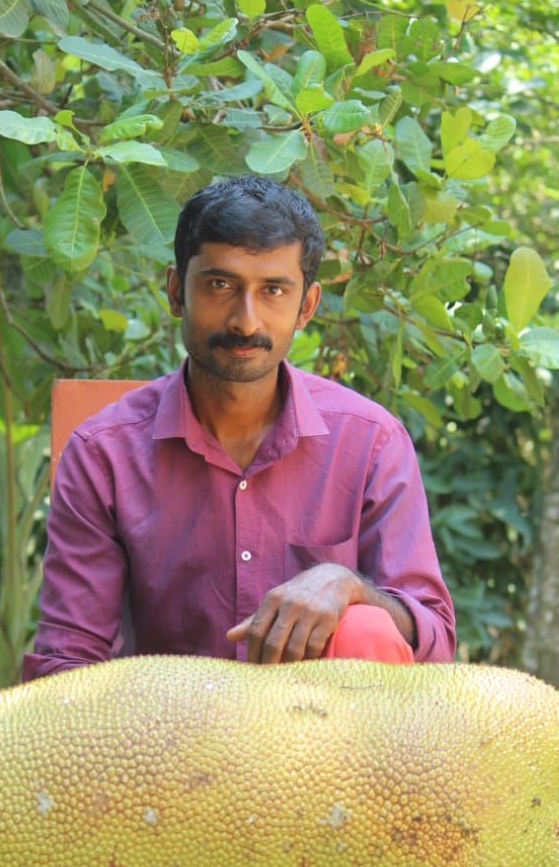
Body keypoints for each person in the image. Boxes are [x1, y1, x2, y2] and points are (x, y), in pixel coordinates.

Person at [22, 175, 455, 681]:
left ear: (306, 307)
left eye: (273, 290)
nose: (245, 321)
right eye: (220, 285)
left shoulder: (370, 441)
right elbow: (69, 657)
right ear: (175, 292)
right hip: (164, 738)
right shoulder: (103, 454)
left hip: (327, 741)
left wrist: (348, 585)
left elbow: (434, 638)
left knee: (368, 629)